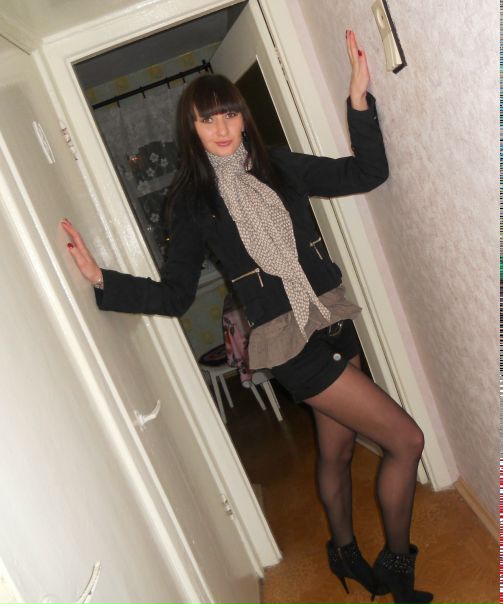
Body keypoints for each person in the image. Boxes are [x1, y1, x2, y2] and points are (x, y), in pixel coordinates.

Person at [61, 30, 433, 604]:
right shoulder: (190, 204)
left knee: (336, 451)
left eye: (229, 113)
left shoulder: (277, 166)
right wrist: (102, 280)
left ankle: (342, 550)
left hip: (329, 315)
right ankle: (398, 567)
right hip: (289, 344)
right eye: (207, 119)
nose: (222, 127)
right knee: (407, 440)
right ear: (191, 128)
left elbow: (365, 174)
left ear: (242, 117)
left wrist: (359, 101)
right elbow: (176, 294)